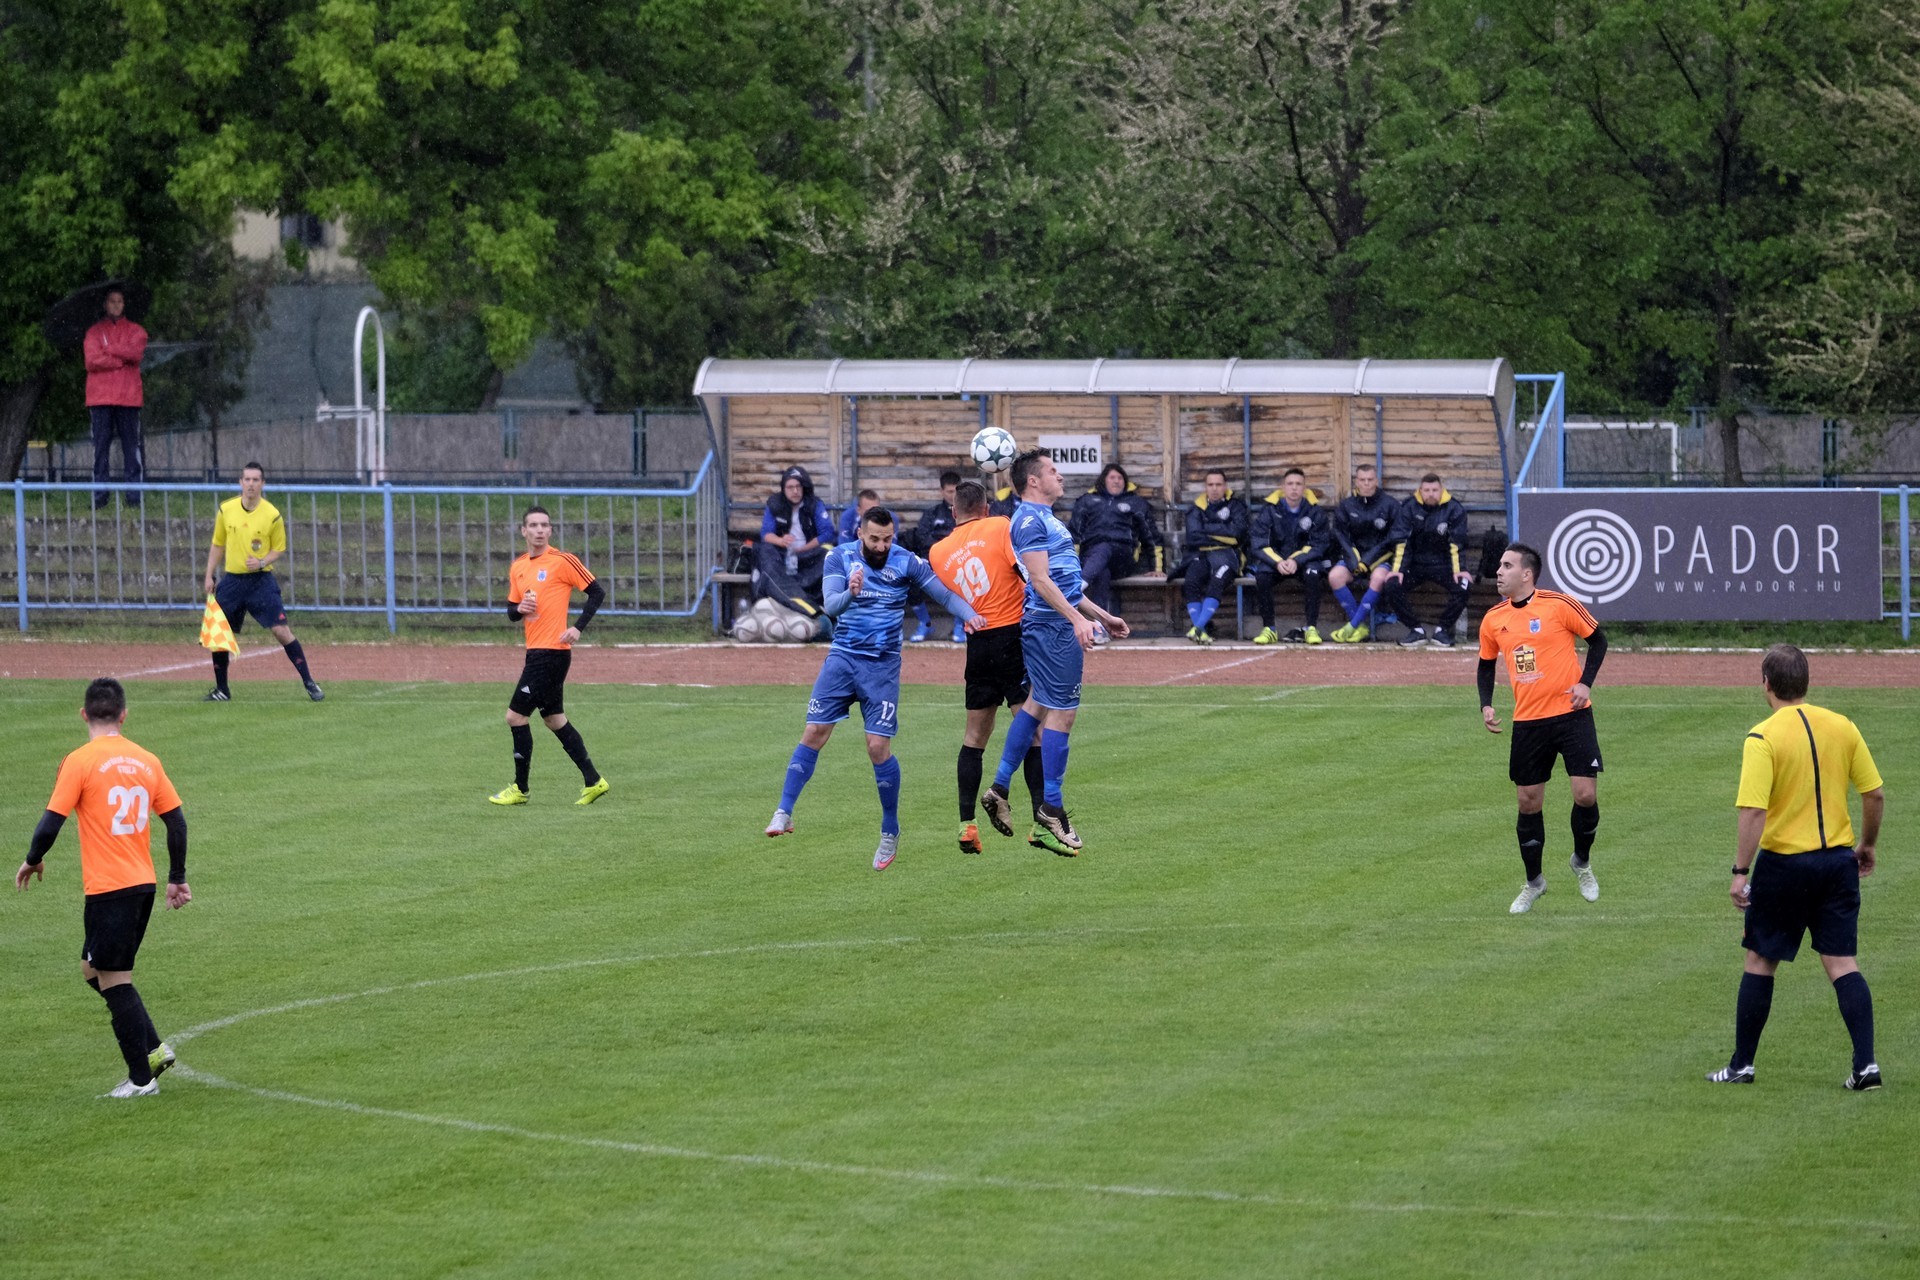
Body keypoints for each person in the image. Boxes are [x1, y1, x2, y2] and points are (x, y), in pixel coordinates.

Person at [764, 507, 982, 870]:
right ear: (861, 535)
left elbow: (943, 594)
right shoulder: (840, 558)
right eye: (875, 539)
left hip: (881, 666)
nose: (882, 546)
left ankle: (890, 829)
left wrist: (969, 613)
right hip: (843, 659)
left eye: (887, 539)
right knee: (814, 731)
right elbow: (831, 606)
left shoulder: (906, 561)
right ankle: (784, 812)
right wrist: (852, 592)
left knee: (877, 747)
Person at [1708, 643, 1885, 1089]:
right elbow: (1874, 794)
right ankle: (1866, 1066)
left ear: (1766, 683)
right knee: (1842, 962)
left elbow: (1754, 810)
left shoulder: (1763, 737)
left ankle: (1742, 1065)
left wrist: (1740, 872)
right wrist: (1867, 844)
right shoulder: (1843, 726)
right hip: (1838, 863)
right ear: (1806, 682)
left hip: (1784, 865)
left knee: (1760, 959)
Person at [16, 678, 190, 1097]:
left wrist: (33, 858)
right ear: (123, 715)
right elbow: (177, 822)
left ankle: (141, 1080)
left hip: (110, 889)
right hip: (142, 885)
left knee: (114, 979)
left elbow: (50, 822)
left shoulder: (78, 761)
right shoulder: (147, 760)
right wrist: (177, 878)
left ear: (84, 715)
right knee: (92, 969)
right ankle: (153, 1047)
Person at [979, 450, 1130, 856]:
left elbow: (1065, 584)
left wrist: (1101, 615)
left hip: (1053, 625)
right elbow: (1041, 581)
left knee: (1036, 706)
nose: (1059, 476)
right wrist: (1076, 620)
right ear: (1033, 480)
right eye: (1052, 470)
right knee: (1063, 714)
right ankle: (1051, 809)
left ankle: (999, 787)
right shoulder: (1029, 520)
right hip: (1051, 629)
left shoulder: (1046, 519)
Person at [1477, 542, 1608, 913]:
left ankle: (1581, 861)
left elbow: (1598, 641)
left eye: (1507, 565)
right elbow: (1486, 664)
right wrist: (1486, 704)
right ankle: (1534, 882)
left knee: (1585, 795)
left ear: (1526, 574)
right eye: (1499, 565)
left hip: (1572, 714)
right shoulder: (1493, 619)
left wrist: (1585, 684)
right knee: (1528, 801)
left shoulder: (1559, 605)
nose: (1499, 571)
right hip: (1528, 722)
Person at [928, 479, 1048, 854]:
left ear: (953, 512)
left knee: (975, 736)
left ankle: (967, 826)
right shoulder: (1000, 526)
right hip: (1012, 638)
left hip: (977, 643)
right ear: (986, 507)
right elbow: (1026, 574)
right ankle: (1041, 823)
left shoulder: (938, 551)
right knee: (1033, 732)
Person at [489, 506, 610, 806]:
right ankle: (594, 781)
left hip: (552, 653)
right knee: (554, 719)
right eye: (533, 525)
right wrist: (520, 609)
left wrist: (577, 627)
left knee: (515, 716)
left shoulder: (562, 561)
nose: (539, 530)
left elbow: (597, 592)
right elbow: (511, 612)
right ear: (524, 531)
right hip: (535, 652)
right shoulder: (518, 566)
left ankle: (520, 789)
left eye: (544, 525)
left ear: (551, 530)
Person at [201, 461, 324, 702]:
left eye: (255, 480)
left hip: (260, 582)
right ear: (240, 482)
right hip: (232, 581)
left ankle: (309, 682)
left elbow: (279, 548)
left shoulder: (271, 514)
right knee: (219, 633)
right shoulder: (226, 510)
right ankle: (222, 690)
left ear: (262, 484)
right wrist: (209, 574)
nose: (251, 484)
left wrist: (261, 561)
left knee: (281, 630)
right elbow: (218, 544)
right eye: (247, 479)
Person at [1388, 473, 1473, 648]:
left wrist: (1459, 570)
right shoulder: (1409, 507)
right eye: (1426, 490)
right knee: (1391, 585)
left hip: (1444, 566)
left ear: (1441, 490)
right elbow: (1402, 541)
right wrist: (1398, 570)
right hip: (1415, 566)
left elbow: (1457, 543)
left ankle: (1442, 630)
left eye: (1434, 490)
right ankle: (1416, 631)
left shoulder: (1454, 509)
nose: (1431, 494)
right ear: (1420, 490)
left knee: (1464, 585)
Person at [1249, 467, 1332, 645]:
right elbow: (1258, 543)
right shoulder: (1270, 510)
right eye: (1290, 484)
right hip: (1277, 562)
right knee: (1262, 575)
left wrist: (1296, 560)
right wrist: (1278, 562)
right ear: (1283, 487)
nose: (1294, 488)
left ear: (1304, 488)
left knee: (1313, 574)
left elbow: (1319, 544)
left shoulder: (1315, 512)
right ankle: (1269, 629)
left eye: (1298, 484)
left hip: (1304, 562)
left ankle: (1311, 628)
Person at [1070, 463, 1166, 615]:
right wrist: (1071, 566)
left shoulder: (1136, 503)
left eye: (1120, 478)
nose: (1116, 481)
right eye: (1112, 477)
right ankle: (1101, 624)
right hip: (1091, 558)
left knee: (1104, 548)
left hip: (1122, 558)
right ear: (1104, 480)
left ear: (1125, 481)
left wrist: (1157, 568)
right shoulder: (1087, 501)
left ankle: (1076, 588)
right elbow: (1074, 534)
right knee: (1102, 572)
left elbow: (1151, 536)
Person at [84, 287, 147, 509]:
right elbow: (91, 361)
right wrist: (119, 359)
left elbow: (135, 353)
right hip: (100, 398)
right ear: (105, 304)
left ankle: (134, 496)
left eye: (120, 301)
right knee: (100, 448)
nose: (116, 305)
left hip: (128, 397)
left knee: (131, 447)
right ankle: (100, 495)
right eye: (112, 301)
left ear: (124, 304)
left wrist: (108, 349)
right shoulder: (94, 332)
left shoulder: (136, 330)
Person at [1327, 463, 1400, 643]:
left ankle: (1352, 626)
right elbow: (1341, 536)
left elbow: (1392, 539)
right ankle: (1360, 627)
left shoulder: (1390, 505)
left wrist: (1368, 561)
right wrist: (1354, 560)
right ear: (1356, 482)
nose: (1366, 483)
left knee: (1378, 578)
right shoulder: (1346, 505)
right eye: (1362, 480)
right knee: (1335, 576)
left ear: (1377, 481)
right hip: (1353, 560)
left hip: (1380, 559)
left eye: (1370, 479)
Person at [1179, 469, 1247, 645]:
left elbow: (1237, 534)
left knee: (1217, 580)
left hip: (1227, 555)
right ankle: (1200, 631)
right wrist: (1221, 530)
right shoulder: (1196, 509)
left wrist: (1206, 529)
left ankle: (1198, 627)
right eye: (1210, 485)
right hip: (1200, 554)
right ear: (1205, 487)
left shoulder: (1236, 506)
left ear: (1225, 486)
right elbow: (1193, 537)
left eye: (1218, 484)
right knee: (1191, 581)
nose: (1214, 488)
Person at [756, 466, 835, 606]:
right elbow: (765, 534)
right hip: (783, 555)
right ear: (783, 489)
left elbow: (827, 533)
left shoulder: (814, 504)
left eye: (798, 486)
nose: (795, 491)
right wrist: (780, 541)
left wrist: (804, 549)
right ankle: (783, 595)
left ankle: (819, 601)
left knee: (830, 552)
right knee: (763, 550)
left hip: (809, 554)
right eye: (790, 487)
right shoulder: (774, 503)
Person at [908, 470, 964, 642]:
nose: (953, 495)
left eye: (956, 491)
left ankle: (960, 625)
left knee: (965, 576)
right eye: (949, 491)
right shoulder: (932, 513)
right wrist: (943, 547)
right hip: (933, 559)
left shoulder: (967, 512)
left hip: (959, 559)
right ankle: (925, 624)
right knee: (912, 578)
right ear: (942, 491)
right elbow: (922, 537)